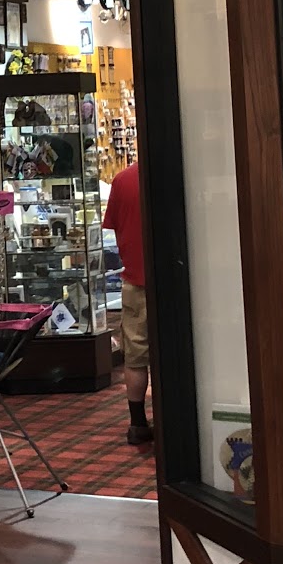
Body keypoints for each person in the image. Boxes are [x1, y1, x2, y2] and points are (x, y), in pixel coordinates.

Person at [104, 160, 152, 445]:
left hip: (134, 281)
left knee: (135, 357)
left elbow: (114, 227)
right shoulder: (179, 172)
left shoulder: (122, 180)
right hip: (176, 281)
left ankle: (137, 423)